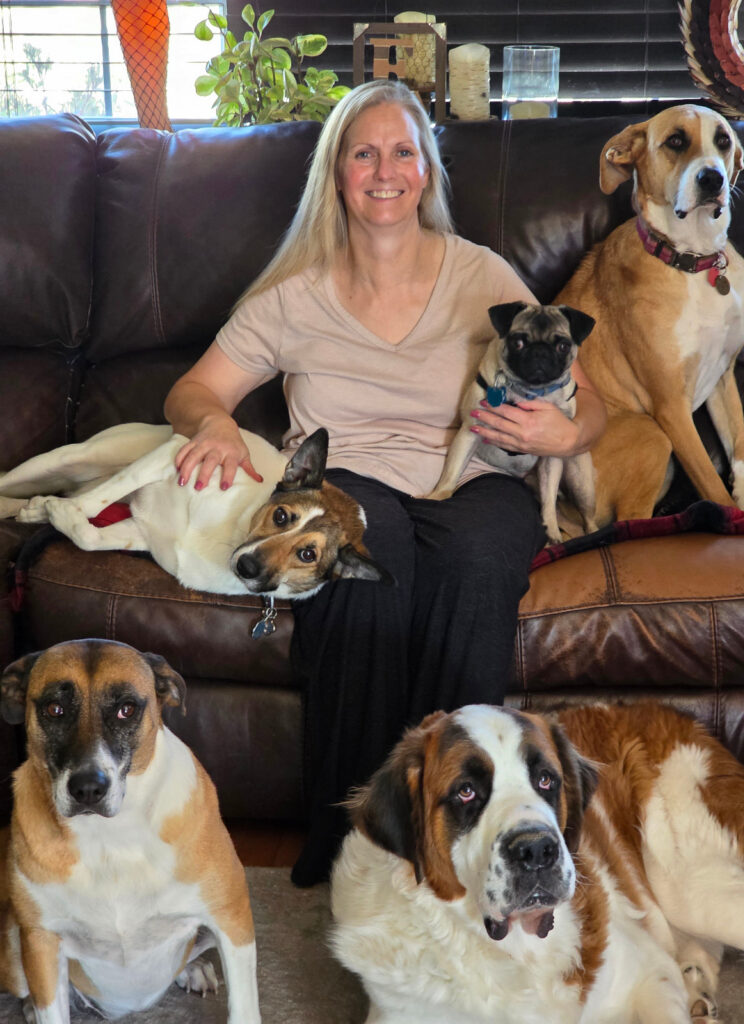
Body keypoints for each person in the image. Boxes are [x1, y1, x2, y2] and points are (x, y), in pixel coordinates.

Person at [164, 79, 606, 886]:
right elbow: (192, 390)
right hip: (348, 478)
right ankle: (351, 848)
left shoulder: (482, 276)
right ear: (337, 173)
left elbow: (588, 399)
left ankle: (464, 845)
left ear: (427, 171)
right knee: (370, 571)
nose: (384, 171)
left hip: (475, 474)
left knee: (475, 564)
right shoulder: (294, 295)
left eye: (403, 151)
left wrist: (568, 433)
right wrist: (215, 423)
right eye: (364, 153)